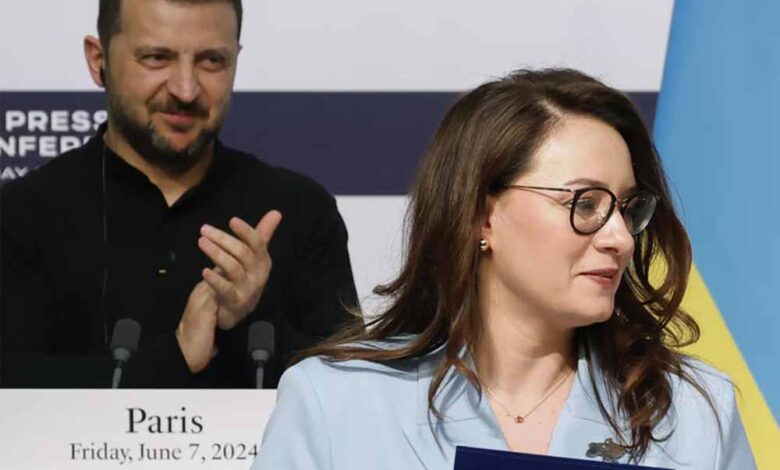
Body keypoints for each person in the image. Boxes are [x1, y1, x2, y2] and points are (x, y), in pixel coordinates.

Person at [251, 69, 756, 468]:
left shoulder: (695, 412)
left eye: (628, 208)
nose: (620, 238)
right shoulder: (334, 400)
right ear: (482, 214)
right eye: (585, 204)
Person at [0, 0, 357, 388]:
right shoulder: (20, 215)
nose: (185, 90)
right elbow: (13, 393)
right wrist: (174, 355)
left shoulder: (300, 210)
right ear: (98, 60)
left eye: (211, 61)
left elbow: (350, 392)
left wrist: (248, 319)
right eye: (157, 58)